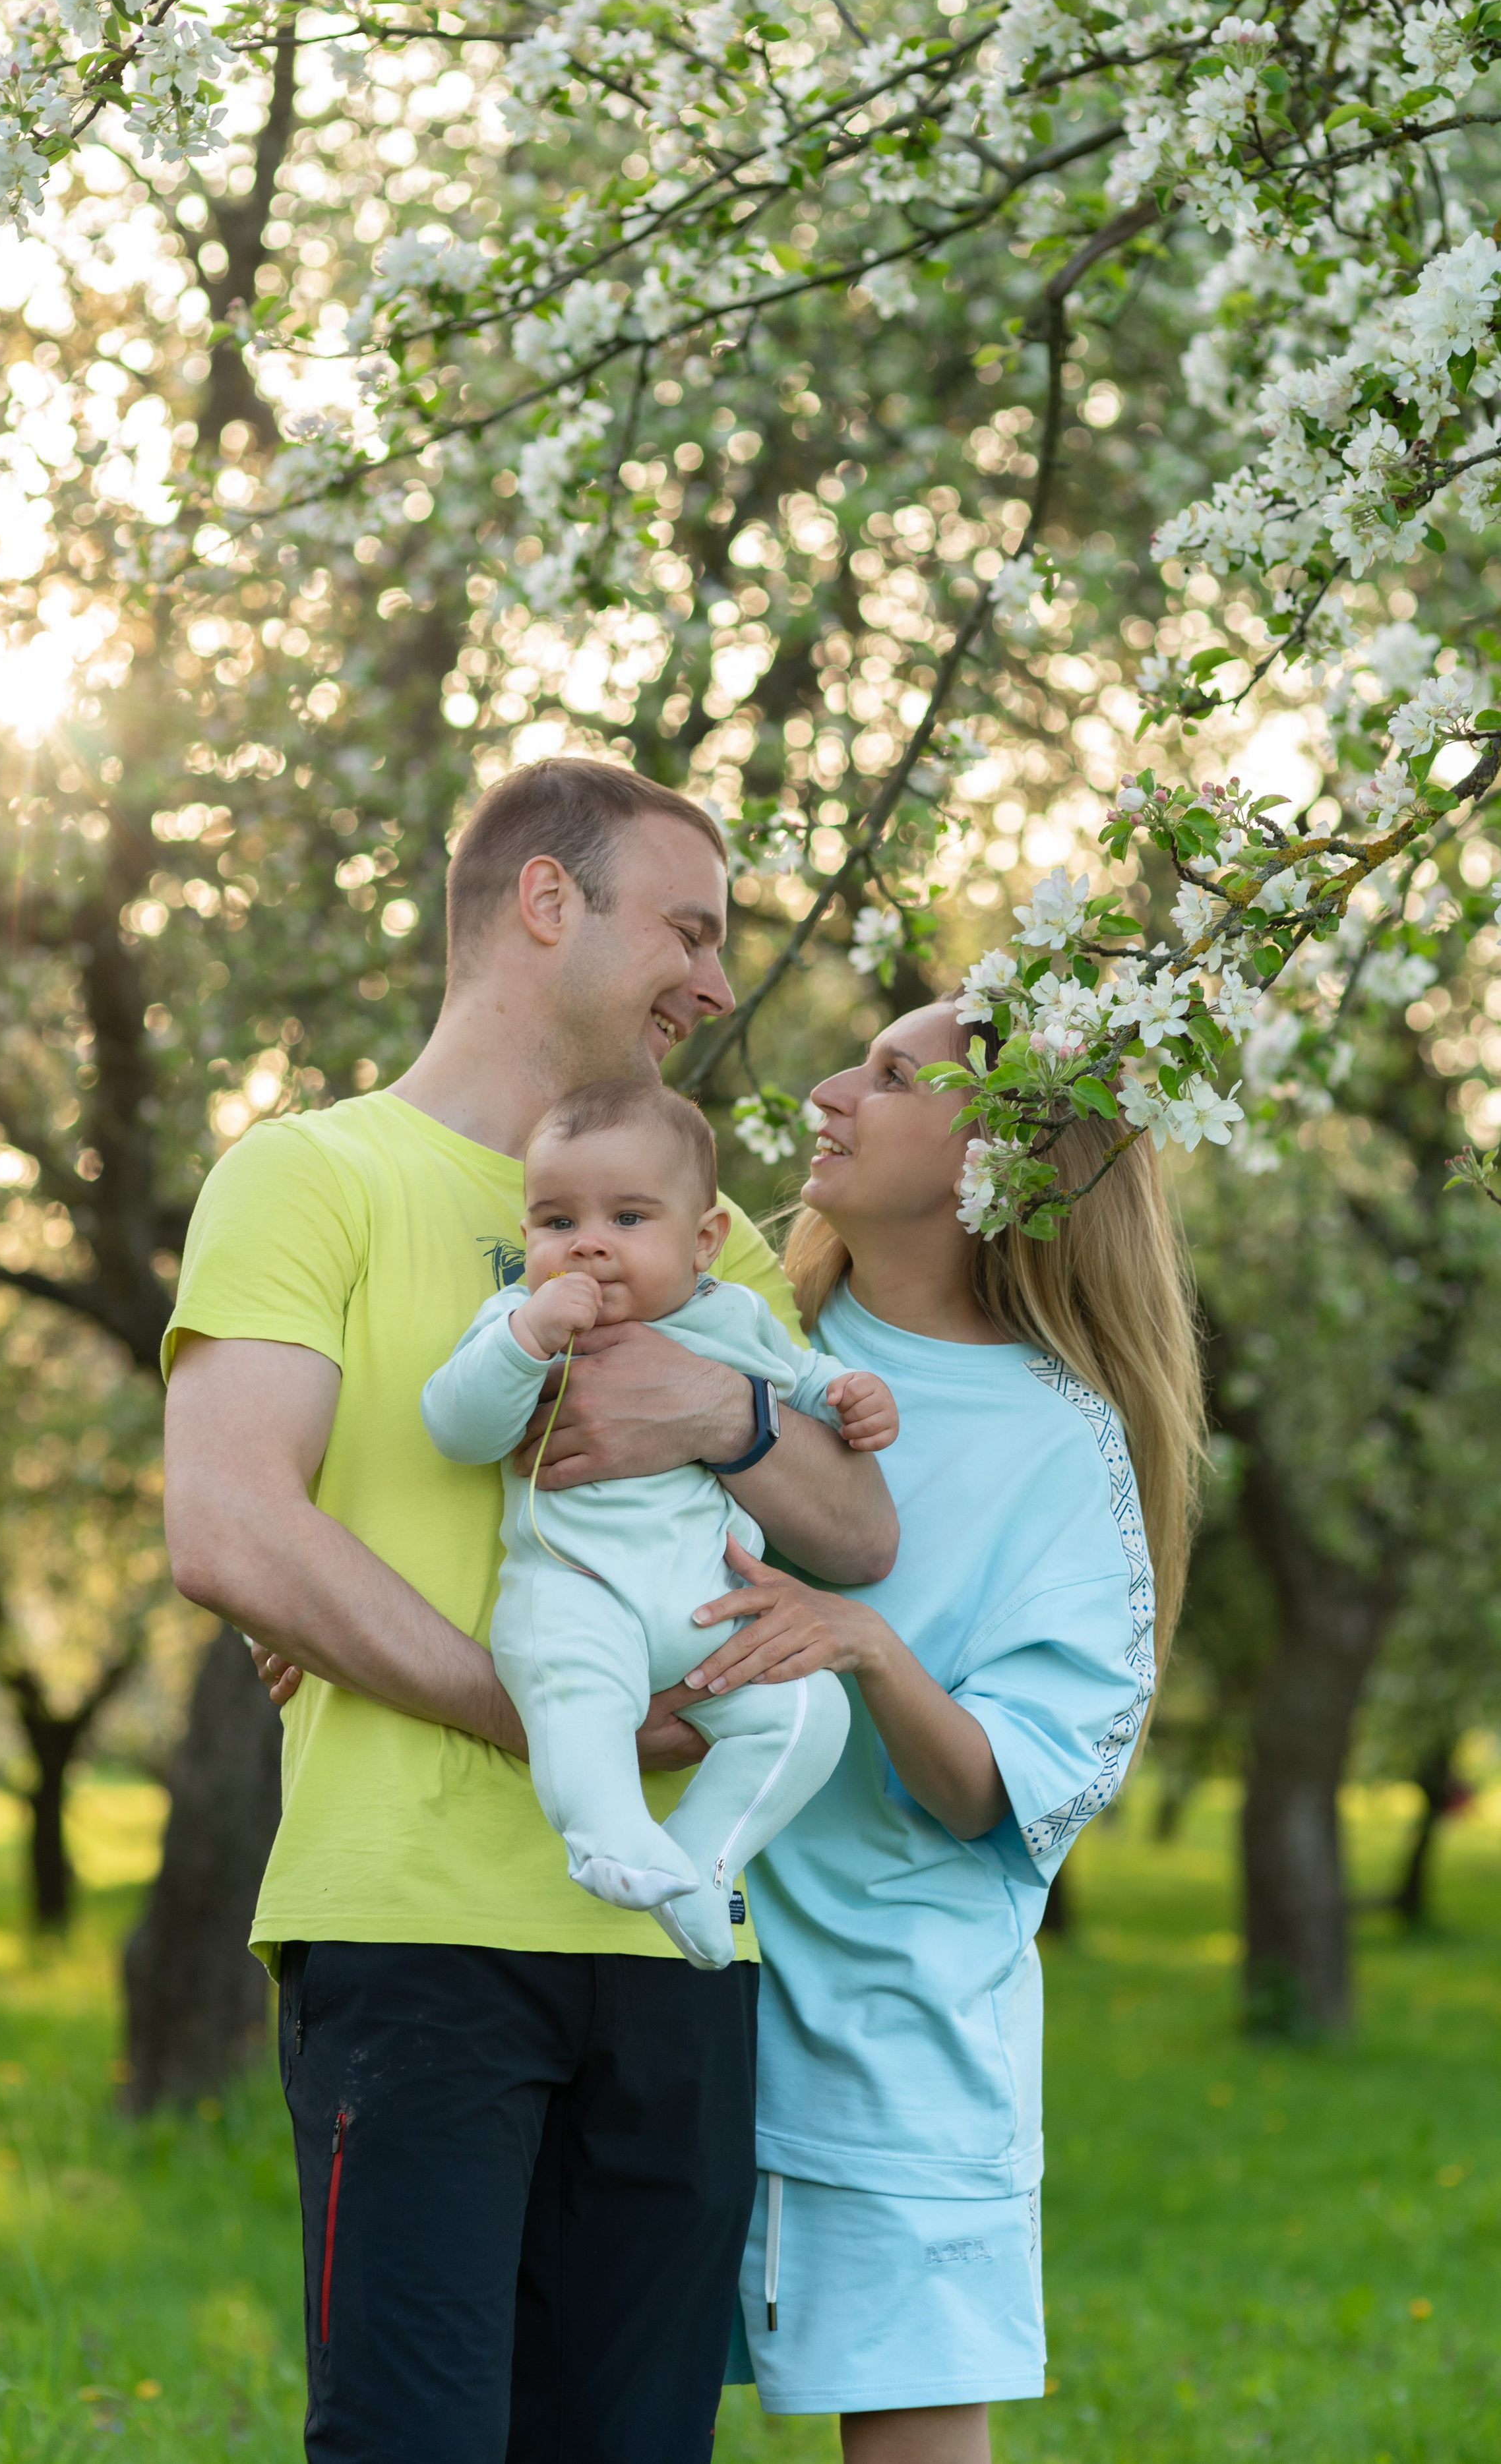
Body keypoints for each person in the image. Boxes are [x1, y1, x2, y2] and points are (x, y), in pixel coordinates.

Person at [161, 756, 896, 2464]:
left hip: (683, 1954)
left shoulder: (694, 1242)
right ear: (547, 903)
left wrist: (718, 1420)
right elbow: (230, 1520)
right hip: (419, 1941)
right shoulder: (310, 1173)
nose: (718, 984)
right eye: (689, 930)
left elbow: (860, 1533)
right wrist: (545, 1707)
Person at [687, 1000, 1204, 2463]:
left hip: (890, 2047)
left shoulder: (1062, 1443)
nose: (829, 1088)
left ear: (1002, 1164)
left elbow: (1006, 1785)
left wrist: (864, 1644)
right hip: (655, 1986)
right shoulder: (740, 1328)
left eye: (893, 1076)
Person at [421, 1075, 895, 1969]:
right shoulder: (513, 1323)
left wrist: (850, 1395)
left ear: (704, 1239)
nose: (589, 1247)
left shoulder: (733, 1317)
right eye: (558, 1223)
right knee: (577, 1701)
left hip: (709, 1610)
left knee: (809, 1712)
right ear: (528, 1237)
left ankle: (706, 1859)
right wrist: (524, 1340)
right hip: (577, 1588)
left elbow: (799, 1384)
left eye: (628, 1221)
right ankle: (606, 1834)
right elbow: (456, 1427)